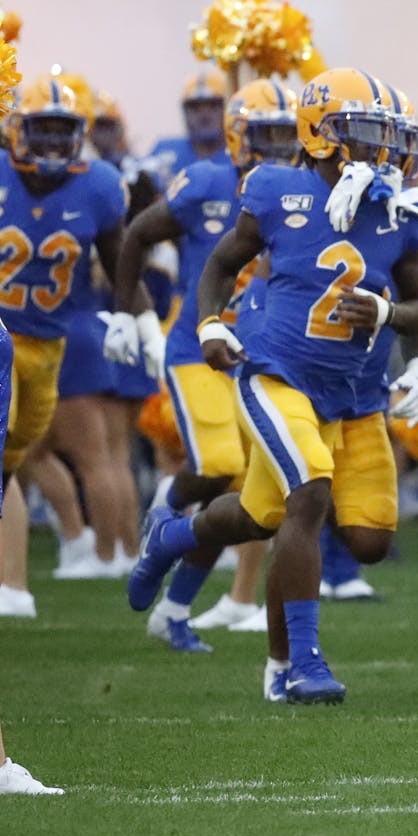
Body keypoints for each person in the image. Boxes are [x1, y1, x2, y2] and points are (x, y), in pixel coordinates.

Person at [126, 68, 418, 704]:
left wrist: (398, 335)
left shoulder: (404, 213)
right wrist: (210, 321)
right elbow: (220, 263)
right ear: (320, 134)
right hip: (276, 373)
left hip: (352, 396)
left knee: (311, 526)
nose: (384, 152)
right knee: (309, 492)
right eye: (368, 135)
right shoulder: (274, 190)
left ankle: (172, 537)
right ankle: (300, 664)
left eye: (391, 137)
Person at [111, 77, 300, 648]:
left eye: (287, 137)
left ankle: (173, 610)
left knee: (244, 501)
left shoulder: (300, 191)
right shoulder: (210, 181)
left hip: (256, 356)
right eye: (266, 136)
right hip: (198, 348)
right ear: (240, 137)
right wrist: (131, 311)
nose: (278, 149)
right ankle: (163, 512)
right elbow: (137, 233)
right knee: (217, 464)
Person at [0, 78, 131, 619]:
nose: (53, 142)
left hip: (52, 341)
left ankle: (92, 552)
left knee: (15, 460)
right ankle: (19, 583)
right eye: (42, 128)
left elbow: (122, 256)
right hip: (5, 334)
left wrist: (133, 315)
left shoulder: (98, 184)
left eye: (64, 130)